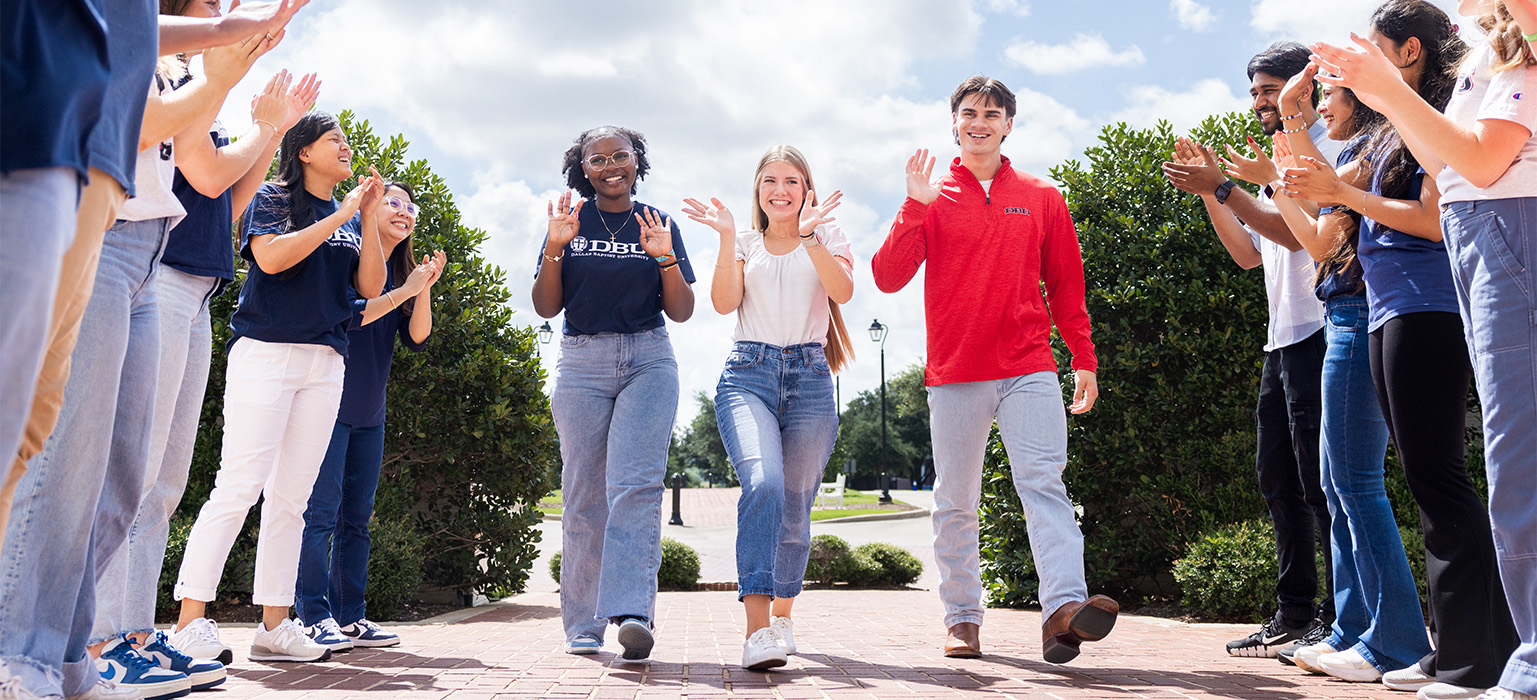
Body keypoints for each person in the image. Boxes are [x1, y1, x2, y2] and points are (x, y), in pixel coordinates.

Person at [0, 21, 279, 700]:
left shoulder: (179, 70)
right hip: (108, 235)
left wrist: (258, 111)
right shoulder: (125, 40)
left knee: (124, 479)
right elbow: (152, 130)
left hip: (154, 254)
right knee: (68, 464)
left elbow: (206, 172)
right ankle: (20, 653)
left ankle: (68, 654)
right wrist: (229, 61)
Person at [86, 0, 323, 691]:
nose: (224, 13)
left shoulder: (201, 89)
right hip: (150, 273)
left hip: (196, 289)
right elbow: (209, 173)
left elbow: (228, 191)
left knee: (162, 481)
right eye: (213, 8)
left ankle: (135, 631)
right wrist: (252, 110)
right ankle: (103, 638)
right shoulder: (162, 70)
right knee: (128, 472)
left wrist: (263, 127)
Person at [1310, 2, 1536, 698]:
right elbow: (1446, 161)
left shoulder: (1511, 55)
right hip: (1466, 249)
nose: (1466, 5)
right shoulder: (1485, 58)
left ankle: (1493, 656)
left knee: (1496, 462)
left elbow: (1474, 162)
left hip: (1471, 258)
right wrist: (1375, 93)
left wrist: (1384, 92)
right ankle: (1506, 652)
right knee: (1494, 463)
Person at [871, 75, 1115, 664]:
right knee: (955, 499)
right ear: (953, 122)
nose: (979, 121)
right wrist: (913, 206)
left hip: (1029, 366)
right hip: (955, 372)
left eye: (992, 113)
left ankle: (1062, 612)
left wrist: (1083, 357)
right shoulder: (931, 198)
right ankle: (961, 619)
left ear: (1009, 125)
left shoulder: (1040, 195)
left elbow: (1065, 285)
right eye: (969, 112)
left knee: (1044, 484)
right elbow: (886, 276)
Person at [1229, 72, 1434, 683]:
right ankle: (1355, 628)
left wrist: (1288, 139)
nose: (1323, 109)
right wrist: (1277, 177)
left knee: (1355, 484)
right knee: (1338, 484)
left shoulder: (1378, 153)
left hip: (1359, 314)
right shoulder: (1355, 156)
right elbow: (1320, 238)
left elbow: (1327, 209)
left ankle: (1394, 640)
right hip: (1345, 314)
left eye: (1329, 98)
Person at [172, 111, 387, 666]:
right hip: (266, 353)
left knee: (291, 500)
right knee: (238, 485)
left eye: (344, 139)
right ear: (305, 152)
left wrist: (362, 219)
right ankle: (190, 620)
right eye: (333, 140)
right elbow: (270, 257)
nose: (344, 147)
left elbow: (369, 286)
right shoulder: (275, 196)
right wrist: (338, 214)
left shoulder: (350, 215)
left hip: (326, 362)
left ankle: (274, 624)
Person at [1162, 41, 1341, 660]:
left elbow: (1297, 234)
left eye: (1271, 90)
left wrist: (1227, 186)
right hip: (1281, 340)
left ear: (1307, 89)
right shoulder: (1274, 160)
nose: (1261, 102)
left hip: (1324, 332)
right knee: (1279, 480)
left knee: (1325, 484)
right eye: (1257, 92)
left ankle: (1338, 617)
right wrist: (1213, 193)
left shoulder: (1325, 148)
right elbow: (1249, 251)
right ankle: (1293, 614)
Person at [681, 145, 855, 670]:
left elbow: (841, 291)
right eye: (769, 182)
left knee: (797, 504)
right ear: (758, 192)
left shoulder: (830, 236)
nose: (781, 190)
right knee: (764, 485)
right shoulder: (747, 244)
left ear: (807, 190)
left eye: (792, 181)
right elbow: (722, 303)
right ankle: (757, 632)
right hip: (747, 377)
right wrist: (728, 238)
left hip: (809, 379)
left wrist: (810, 238)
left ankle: (783, 612)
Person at [534, 125, 695, 661]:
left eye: (619, 155)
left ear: (635, 161)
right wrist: (555, 249)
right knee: (583, 496)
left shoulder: (658, 221)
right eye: (596, 158)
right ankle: (582, 623)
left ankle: (632, 613)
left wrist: (665, 257)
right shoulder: (569, 220)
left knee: (637, 487)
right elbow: (545, 308)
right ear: (582, 168)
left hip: (649, 358)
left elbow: (681, 310)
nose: (609, 165)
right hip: (582, 363)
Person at [297, 183, 444, 652]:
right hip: (327, 406)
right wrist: (406, 289)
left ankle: (351, 617)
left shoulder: (402, 272)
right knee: (319, 515)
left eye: (409, 206)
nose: (404, 212)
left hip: (369, 413)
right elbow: (355, 314)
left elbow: (417, 338)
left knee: (356, 520)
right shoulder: (350, 256)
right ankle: (311, 616)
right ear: (369, 209)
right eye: (393, 203)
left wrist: (421, 289)